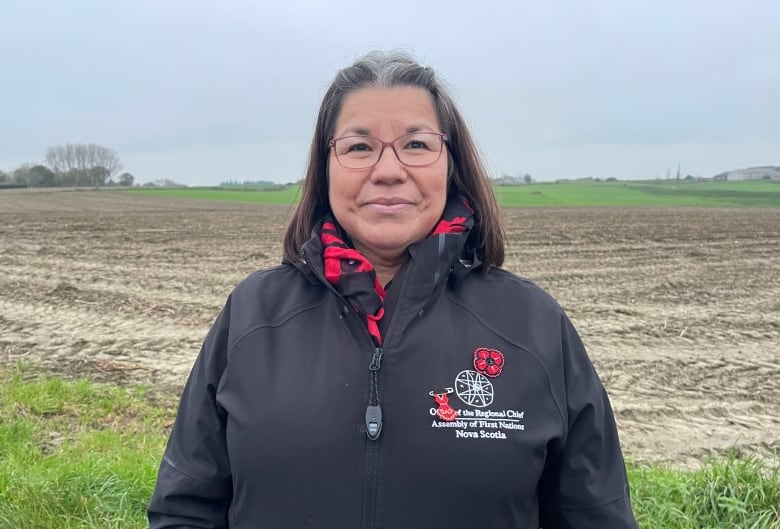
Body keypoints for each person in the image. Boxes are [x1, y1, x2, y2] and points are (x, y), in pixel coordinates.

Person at [148, 50, 639, 529]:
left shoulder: (532, 324)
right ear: (325, 167)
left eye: (417, 144)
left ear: (452, 165)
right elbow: (185, 510)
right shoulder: (253, 315)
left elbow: (597, 516)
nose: (387, 170)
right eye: (359, 146)